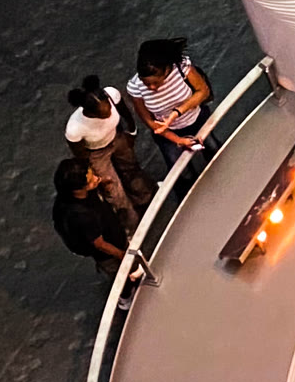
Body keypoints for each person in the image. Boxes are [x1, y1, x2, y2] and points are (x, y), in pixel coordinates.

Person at [128, 36, 218, 178]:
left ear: (166, 71)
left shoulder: (182, 68)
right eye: (146, 83)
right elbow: (151, 122)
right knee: (181, 172)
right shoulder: (135, 87)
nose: (152, 88)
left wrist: (176, 113)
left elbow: (203, 91)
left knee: (214, 150)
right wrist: (178, 140)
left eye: (156, 82)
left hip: (197, 120)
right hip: (169, 134)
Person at [65, 76, 155, 216]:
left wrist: (131, 132)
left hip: (116, 138)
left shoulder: (112, 94)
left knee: (131, 168)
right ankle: (130, 220)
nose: (108, 113)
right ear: (90, 113)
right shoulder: (75, 129)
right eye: (102, 114)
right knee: (112, 188)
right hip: (96, 153)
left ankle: (146, 198)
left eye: (108, 108)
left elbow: (126, 115)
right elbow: (80, 155)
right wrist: (94, 173)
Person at [53, 154, 134, 275]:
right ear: (77, 189)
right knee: (121, 274)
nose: (96, 179)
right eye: (90, 181)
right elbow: (100, 245)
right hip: (109, 254)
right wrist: (122, 255)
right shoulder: (81, 215)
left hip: (111, 229)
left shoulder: (76, 193)